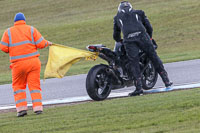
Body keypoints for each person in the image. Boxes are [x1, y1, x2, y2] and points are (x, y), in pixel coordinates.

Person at [113, 1, 173, 96]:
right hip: (143, 37)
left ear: (119, 10)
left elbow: (115, 35)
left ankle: (139, 88)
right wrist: (150, 37)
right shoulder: (140, 13)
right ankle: (167, 81)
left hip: (129, 40)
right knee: (154, 58)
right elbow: (149, 27)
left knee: (134, 63)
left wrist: (120, 40)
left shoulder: (117, 18)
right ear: (131, 7)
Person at [0, 12, 52, 117]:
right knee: (34, 86)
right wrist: (48, 43)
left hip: (17, 65)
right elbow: (41, 44)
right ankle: (38, 109)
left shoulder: (8, 32)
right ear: (24, 21)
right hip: (33, 63)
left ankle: (21, 110)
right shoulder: (31, 29)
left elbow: (3, 48)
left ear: (15, 22)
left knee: (18, 86)